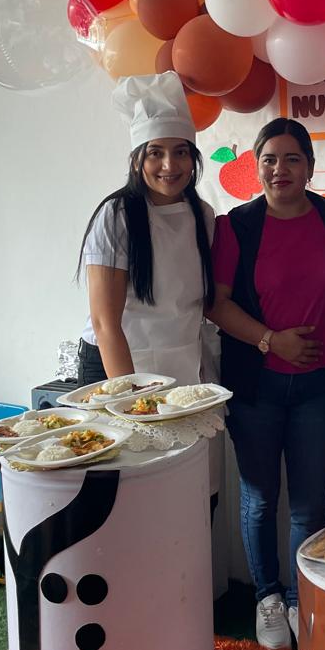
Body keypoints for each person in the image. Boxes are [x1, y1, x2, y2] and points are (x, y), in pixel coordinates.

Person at [208, 119, 325, 650]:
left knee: (311, 504)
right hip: (257, 386)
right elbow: (217, 305)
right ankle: (267, 597)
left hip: (319, 385)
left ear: (310, 167)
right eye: (269, 159)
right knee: (260, 498)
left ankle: (300, 598)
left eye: (292, 158)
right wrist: (271, 340)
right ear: (256, 165)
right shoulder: (237, 226)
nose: (280, 169)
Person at [76, 72, 220, 512]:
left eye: (181, 152)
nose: (169, 166)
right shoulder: (117, 216)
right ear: (138, 158)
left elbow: (199, 306)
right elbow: (105, 323)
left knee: (190, 490)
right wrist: (134, 404)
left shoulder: (203, 216)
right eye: (155, 152)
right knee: (129, 494)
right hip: (118, 368)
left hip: (182, 368)